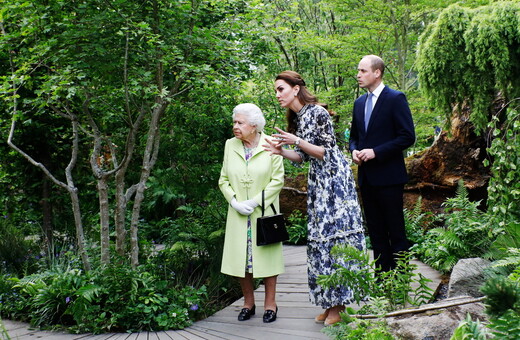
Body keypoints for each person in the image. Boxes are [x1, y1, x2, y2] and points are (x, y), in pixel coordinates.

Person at [263, 71, 366, 326]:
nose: (277, 95)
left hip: (335, 183)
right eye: (276, 91)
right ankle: (329, 303)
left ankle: (339, 307)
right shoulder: (299, 118)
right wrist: (282, 151)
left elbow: (327, 152)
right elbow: (304, 156)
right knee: (321, 241)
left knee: (336, 239)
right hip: (318, 183)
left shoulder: (317, 112)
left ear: (295, 89)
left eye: (280, 89)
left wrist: (296, 140)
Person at [218, 103, 285, 323]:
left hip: (264, 213)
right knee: (241, 260)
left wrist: (256, 201)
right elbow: (223, 179)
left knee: (267, 260)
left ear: (254, 125)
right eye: (234, 122)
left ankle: (270, 305)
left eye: (240, 122)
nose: (235, 126)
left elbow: (277, 180)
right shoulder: (230, 145)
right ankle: (248, 303)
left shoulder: (271, 144)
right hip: (238, 215)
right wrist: (235, 201)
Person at [349, 55, 416, 272]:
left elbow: (407, 136)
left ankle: (401, 280)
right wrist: (354, 151)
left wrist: (376, 152)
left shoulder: (396, 98)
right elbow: (354, 137)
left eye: (363, 71)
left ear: (377, 72)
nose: (358, 75)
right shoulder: (359, 103)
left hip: (390, 177)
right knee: (376, 232)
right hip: (366, 178)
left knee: (395, 230)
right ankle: (382, 278)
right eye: (358, 71)